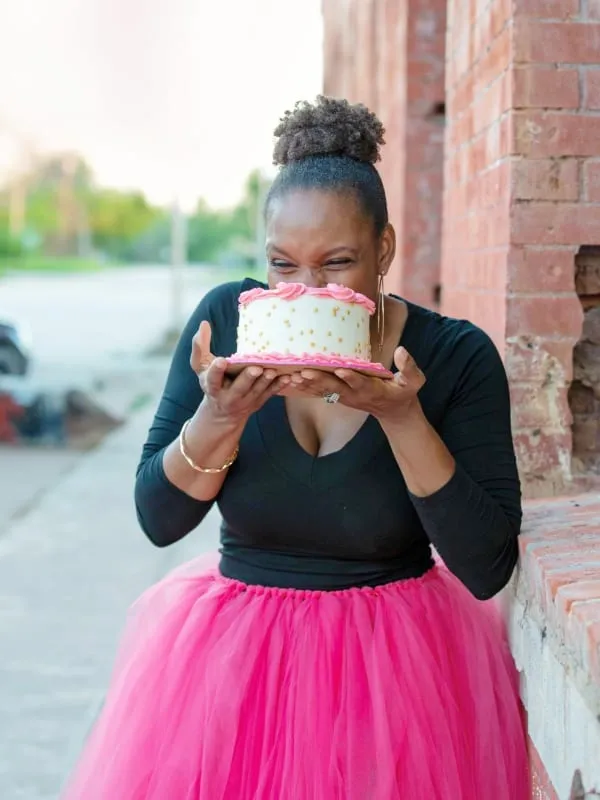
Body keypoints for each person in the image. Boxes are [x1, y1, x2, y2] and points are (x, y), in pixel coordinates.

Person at [62, 96, 529, 799]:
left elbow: (486, 563)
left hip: (396, 684)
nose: (304, 291)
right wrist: (219, 418)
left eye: (336, 263)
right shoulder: (229, 321)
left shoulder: (454, 356)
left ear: (384, 250)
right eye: (283, 265)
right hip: (233, 678)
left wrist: (402, 420)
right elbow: (158, 521)